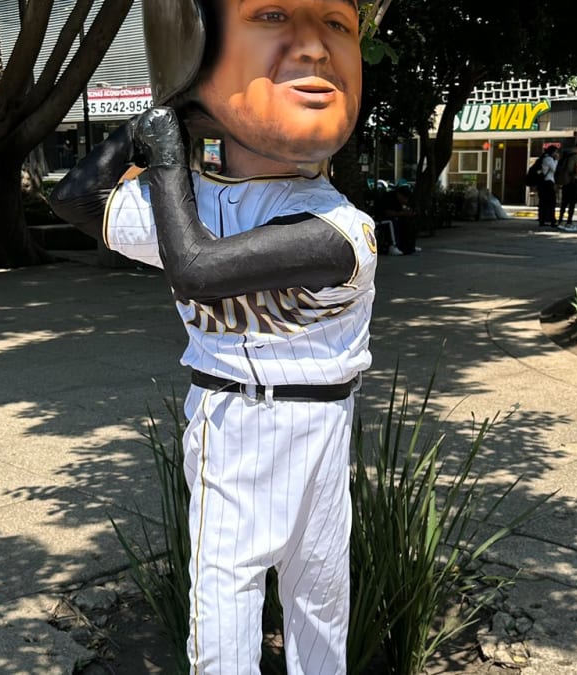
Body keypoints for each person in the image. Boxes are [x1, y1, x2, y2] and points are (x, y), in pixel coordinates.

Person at [49, 1, 373, 673]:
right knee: (221, 626)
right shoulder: (188, 205)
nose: (313, 49)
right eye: (274, 14)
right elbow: (74, 197)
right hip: (228, 424)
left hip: (318, 427)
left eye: (337, 25)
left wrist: (162, 157)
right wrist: (147, 123)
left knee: (320, 607)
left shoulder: (344, 228)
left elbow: (197, 268)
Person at [376, 185, 420, 254]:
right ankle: (393, 246)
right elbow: (387, 213)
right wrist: (402, 213)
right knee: (392, 223)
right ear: (399, 194)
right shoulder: (389, 197)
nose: (405, 200)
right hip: (380, 218)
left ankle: (409, 245)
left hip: (394, 217)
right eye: (404, 197)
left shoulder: (403, 201)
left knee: (409, 222)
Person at [556, 139, 577, 231]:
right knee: (572, 202)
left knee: (564, 202)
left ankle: (560, 220)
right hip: (573, 181)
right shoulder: (576, 156)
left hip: (564, 181)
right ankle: (569, 222)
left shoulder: (565, 153)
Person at [536, 145, 559, 228]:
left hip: (543, 183)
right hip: (548, 183)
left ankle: (542, 220)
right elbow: (554, 169)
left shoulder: (544, 158)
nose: (557, 154)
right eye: (556, 152)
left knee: (543, 202)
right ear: (552, 152)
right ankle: (552, 220)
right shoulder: (549, 159)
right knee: (551, 202)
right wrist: (556, 160)